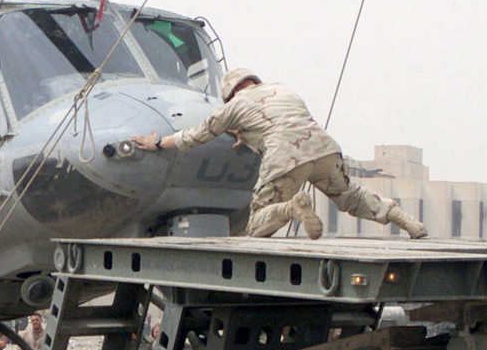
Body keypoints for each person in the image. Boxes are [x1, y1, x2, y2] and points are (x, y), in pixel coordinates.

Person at [133, 68, 427, 240]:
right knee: (350, 196)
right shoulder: (283, 89)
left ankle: (292, 209)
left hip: (285, 156)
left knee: (258, 224)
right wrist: (244, 133)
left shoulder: (234, 105)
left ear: (231, 93)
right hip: (324, 146)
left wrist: (158, 144)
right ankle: (406, 221)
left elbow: (198, 134)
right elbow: (280, 121)